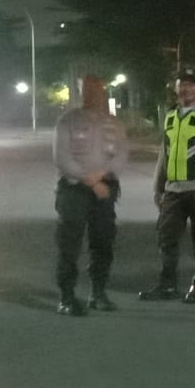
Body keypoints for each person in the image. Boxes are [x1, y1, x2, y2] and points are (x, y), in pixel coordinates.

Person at [138, 68, 195, 303]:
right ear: (176, 89)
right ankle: (167, 285)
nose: (185, 89)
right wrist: (158, 186)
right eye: (181, 85)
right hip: (173, 191)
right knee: (166, 237)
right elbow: (164, 153)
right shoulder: (170, 116)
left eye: (190, 84)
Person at [52, 74, 127, 316]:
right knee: (69, 245)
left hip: (105, 191)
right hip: (73, 191)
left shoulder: (114, 123)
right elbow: (62, 157)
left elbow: (121, 156)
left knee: (103, 243)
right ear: (81, 92)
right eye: (87, 90)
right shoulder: (68, 121)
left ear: (103, 92)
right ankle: (66, 297)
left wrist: (101, 175)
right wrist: (91, 181)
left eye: (96, 89)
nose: (92, 94)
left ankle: (98, 293)